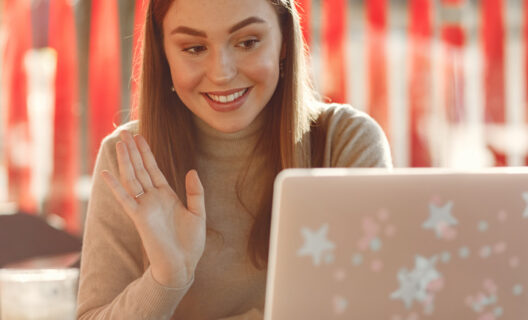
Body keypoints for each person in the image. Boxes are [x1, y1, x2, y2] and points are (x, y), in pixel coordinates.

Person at [77, 0, 392, 319]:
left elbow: (380, 307)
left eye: (248, 42)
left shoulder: (345, 142)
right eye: (195, 48)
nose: (222, 73)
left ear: (283, 40)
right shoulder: (129, 159)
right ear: (163, 53)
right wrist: (165, 278)